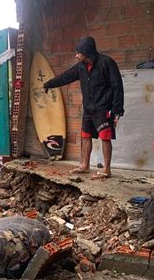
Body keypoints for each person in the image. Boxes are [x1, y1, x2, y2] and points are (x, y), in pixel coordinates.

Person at [43, 36, 124, 179]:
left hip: (103, 108)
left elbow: (117, 86)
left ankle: (106, 169)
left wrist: (117, 109)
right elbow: (66, 77)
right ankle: (84, 165)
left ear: (87, 52)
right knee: (85, 136)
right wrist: (49, 84)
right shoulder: (81, 66)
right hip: (88, 109)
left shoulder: (106, 63)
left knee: (105, 138)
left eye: (78, 52)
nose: (76, 55)